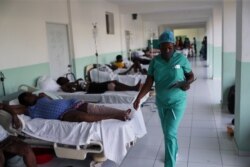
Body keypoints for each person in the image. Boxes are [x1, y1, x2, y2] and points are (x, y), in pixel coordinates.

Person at [133, 30, 194, 167]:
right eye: (163, 47)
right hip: (161, 102)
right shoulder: (155, 62)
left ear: (174, 46)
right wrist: (139, 98)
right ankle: (175, 150)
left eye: (170, 47)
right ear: (159, 48)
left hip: (177, 102)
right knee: (168, 131)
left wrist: (186, 83)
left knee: (169, 133)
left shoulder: (181, 59)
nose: (167, 50)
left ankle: (169, 164)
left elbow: (190, 76)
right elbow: (149, 82)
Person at [9, 92, 131, 122]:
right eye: (28, 96)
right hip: (63, 115)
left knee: (96, 108)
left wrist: (43, 95)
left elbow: (53, 100)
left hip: (71, 103)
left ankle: (122, 111)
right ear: (25, 102)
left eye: (30, 93)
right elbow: (11, 108)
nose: (31, 94)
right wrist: (7, 107)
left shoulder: (41, 96)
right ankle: (116, 116)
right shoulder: (29, 110)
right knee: (84, 117)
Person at [56, 77, 141, 94]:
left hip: (92, 84)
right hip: (90, 88)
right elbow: (72, 90)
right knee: (111, 86)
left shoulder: (72, 81)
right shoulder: (65, 86)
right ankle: (133, 88)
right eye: (63, 78)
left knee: (114, 81)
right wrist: (73, 84)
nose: (65, 77)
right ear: (62, 82)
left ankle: (133, 88)